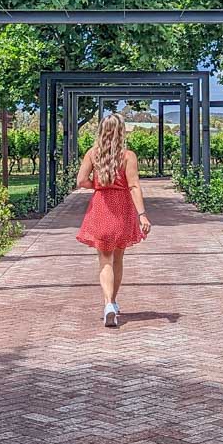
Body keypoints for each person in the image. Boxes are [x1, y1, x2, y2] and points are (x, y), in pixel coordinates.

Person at [76, 112, 151, 327]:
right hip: (122, 209)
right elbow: (134, 185)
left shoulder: (92, 154)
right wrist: (142, 214)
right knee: (118, 258)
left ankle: (108, 303)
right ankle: (114, 301)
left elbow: (81, 181)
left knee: (104, 260)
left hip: (101, 206)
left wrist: (98, 186)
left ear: (101, 131)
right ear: (121, 132)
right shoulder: (128, 156)